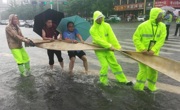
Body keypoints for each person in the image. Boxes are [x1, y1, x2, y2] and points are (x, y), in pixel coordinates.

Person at [90, 11, 132, 86]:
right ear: (95, 19)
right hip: (99, 49)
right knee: (105, 65)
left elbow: (112, 37)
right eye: (98, 18)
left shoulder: (107, 25)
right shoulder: (92, 29)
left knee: (115, 64)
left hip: (108, 49)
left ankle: (123, 80)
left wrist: (118, 47)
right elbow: (98, 40)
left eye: (101, 17)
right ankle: (103, 81)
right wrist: (109, 46)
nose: (100, 19)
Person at [133, 8, 166, 92]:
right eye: (160, 16)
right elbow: (136, 38)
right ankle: (139, 87)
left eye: (162, 16)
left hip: (153, 53)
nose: (162, 17)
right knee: (143, 70)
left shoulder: (163, 26)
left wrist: (154, 50)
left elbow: (161, 40)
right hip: (142, 53)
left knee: (153, 70)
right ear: (155, 16)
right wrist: (142, 49)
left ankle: (151, 86)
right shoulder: (143, 26)